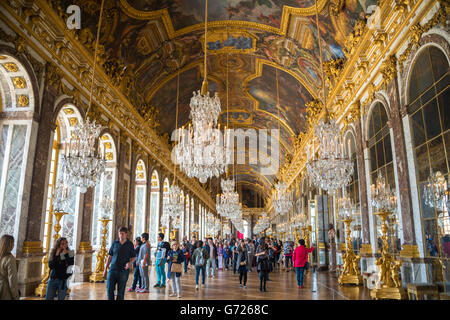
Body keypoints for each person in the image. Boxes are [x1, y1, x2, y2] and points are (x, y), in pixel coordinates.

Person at [103, 227, 136, 300]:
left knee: (120, 292)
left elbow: (134, 257)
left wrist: (129, 263)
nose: (121, 236)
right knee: (109, 290)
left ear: (126, 234)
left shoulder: (130, 244)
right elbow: (109, 256)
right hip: (112, 270)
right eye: (119, 234)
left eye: (122, 234)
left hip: (123, 271)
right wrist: (105, 269)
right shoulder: (115, 243)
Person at [0, 235, 19, 300]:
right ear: (9, 245)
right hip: (5, 292)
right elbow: (12, 281)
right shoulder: (10, 259)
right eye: (13, 243)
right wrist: (16, 296)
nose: (14, 245)